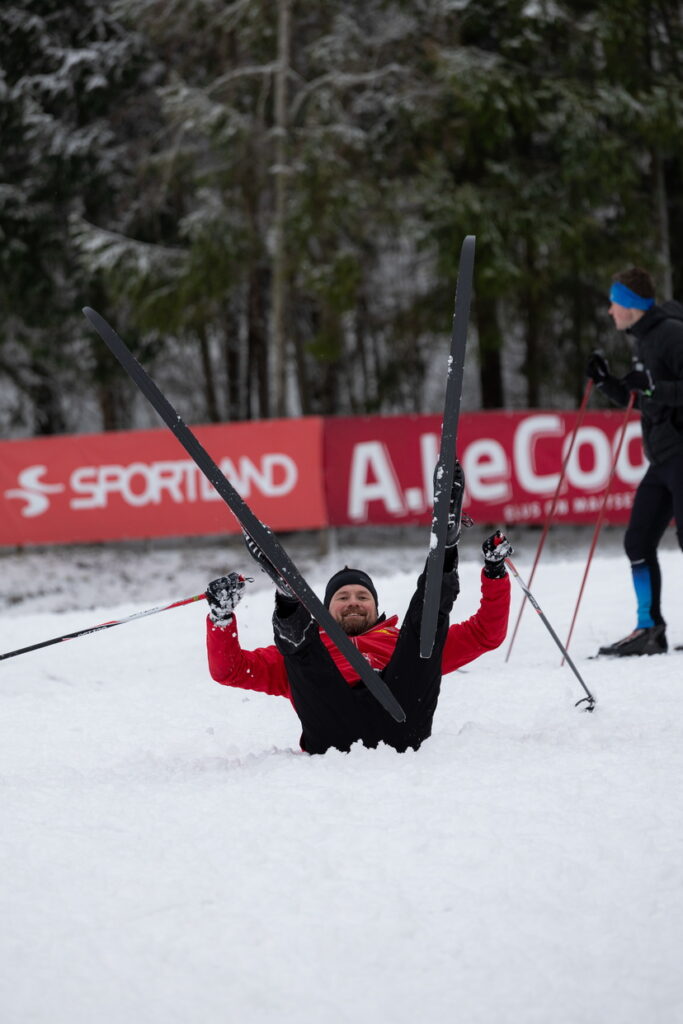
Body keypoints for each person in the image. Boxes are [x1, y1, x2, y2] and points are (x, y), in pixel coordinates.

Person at [204, 465, 511, 754]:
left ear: (376, 609)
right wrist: (221, 618)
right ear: (325, 609)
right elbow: (230, 670)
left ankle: (444, 548)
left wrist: (495, 574)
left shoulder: (394, 640)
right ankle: (289, 600)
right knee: (300, 653)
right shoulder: (317, 645)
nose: (353, 601)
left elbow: (487, 634)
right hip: (331, 725)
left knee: (422, 636)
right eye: (343, 597)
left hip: (401, 717)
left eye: (363, 597)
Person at [586, 266, 683, 656]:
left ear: (630, 304)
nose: (610, 310)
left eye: (614, 302)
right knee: (638, 540)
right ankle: (649, 629)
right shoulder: (642, 340)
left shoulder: (672, 335)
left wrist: (656, 387)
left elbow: (661, 390)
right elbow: (647, 399)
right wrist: (608, 383)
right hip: (663, 457)